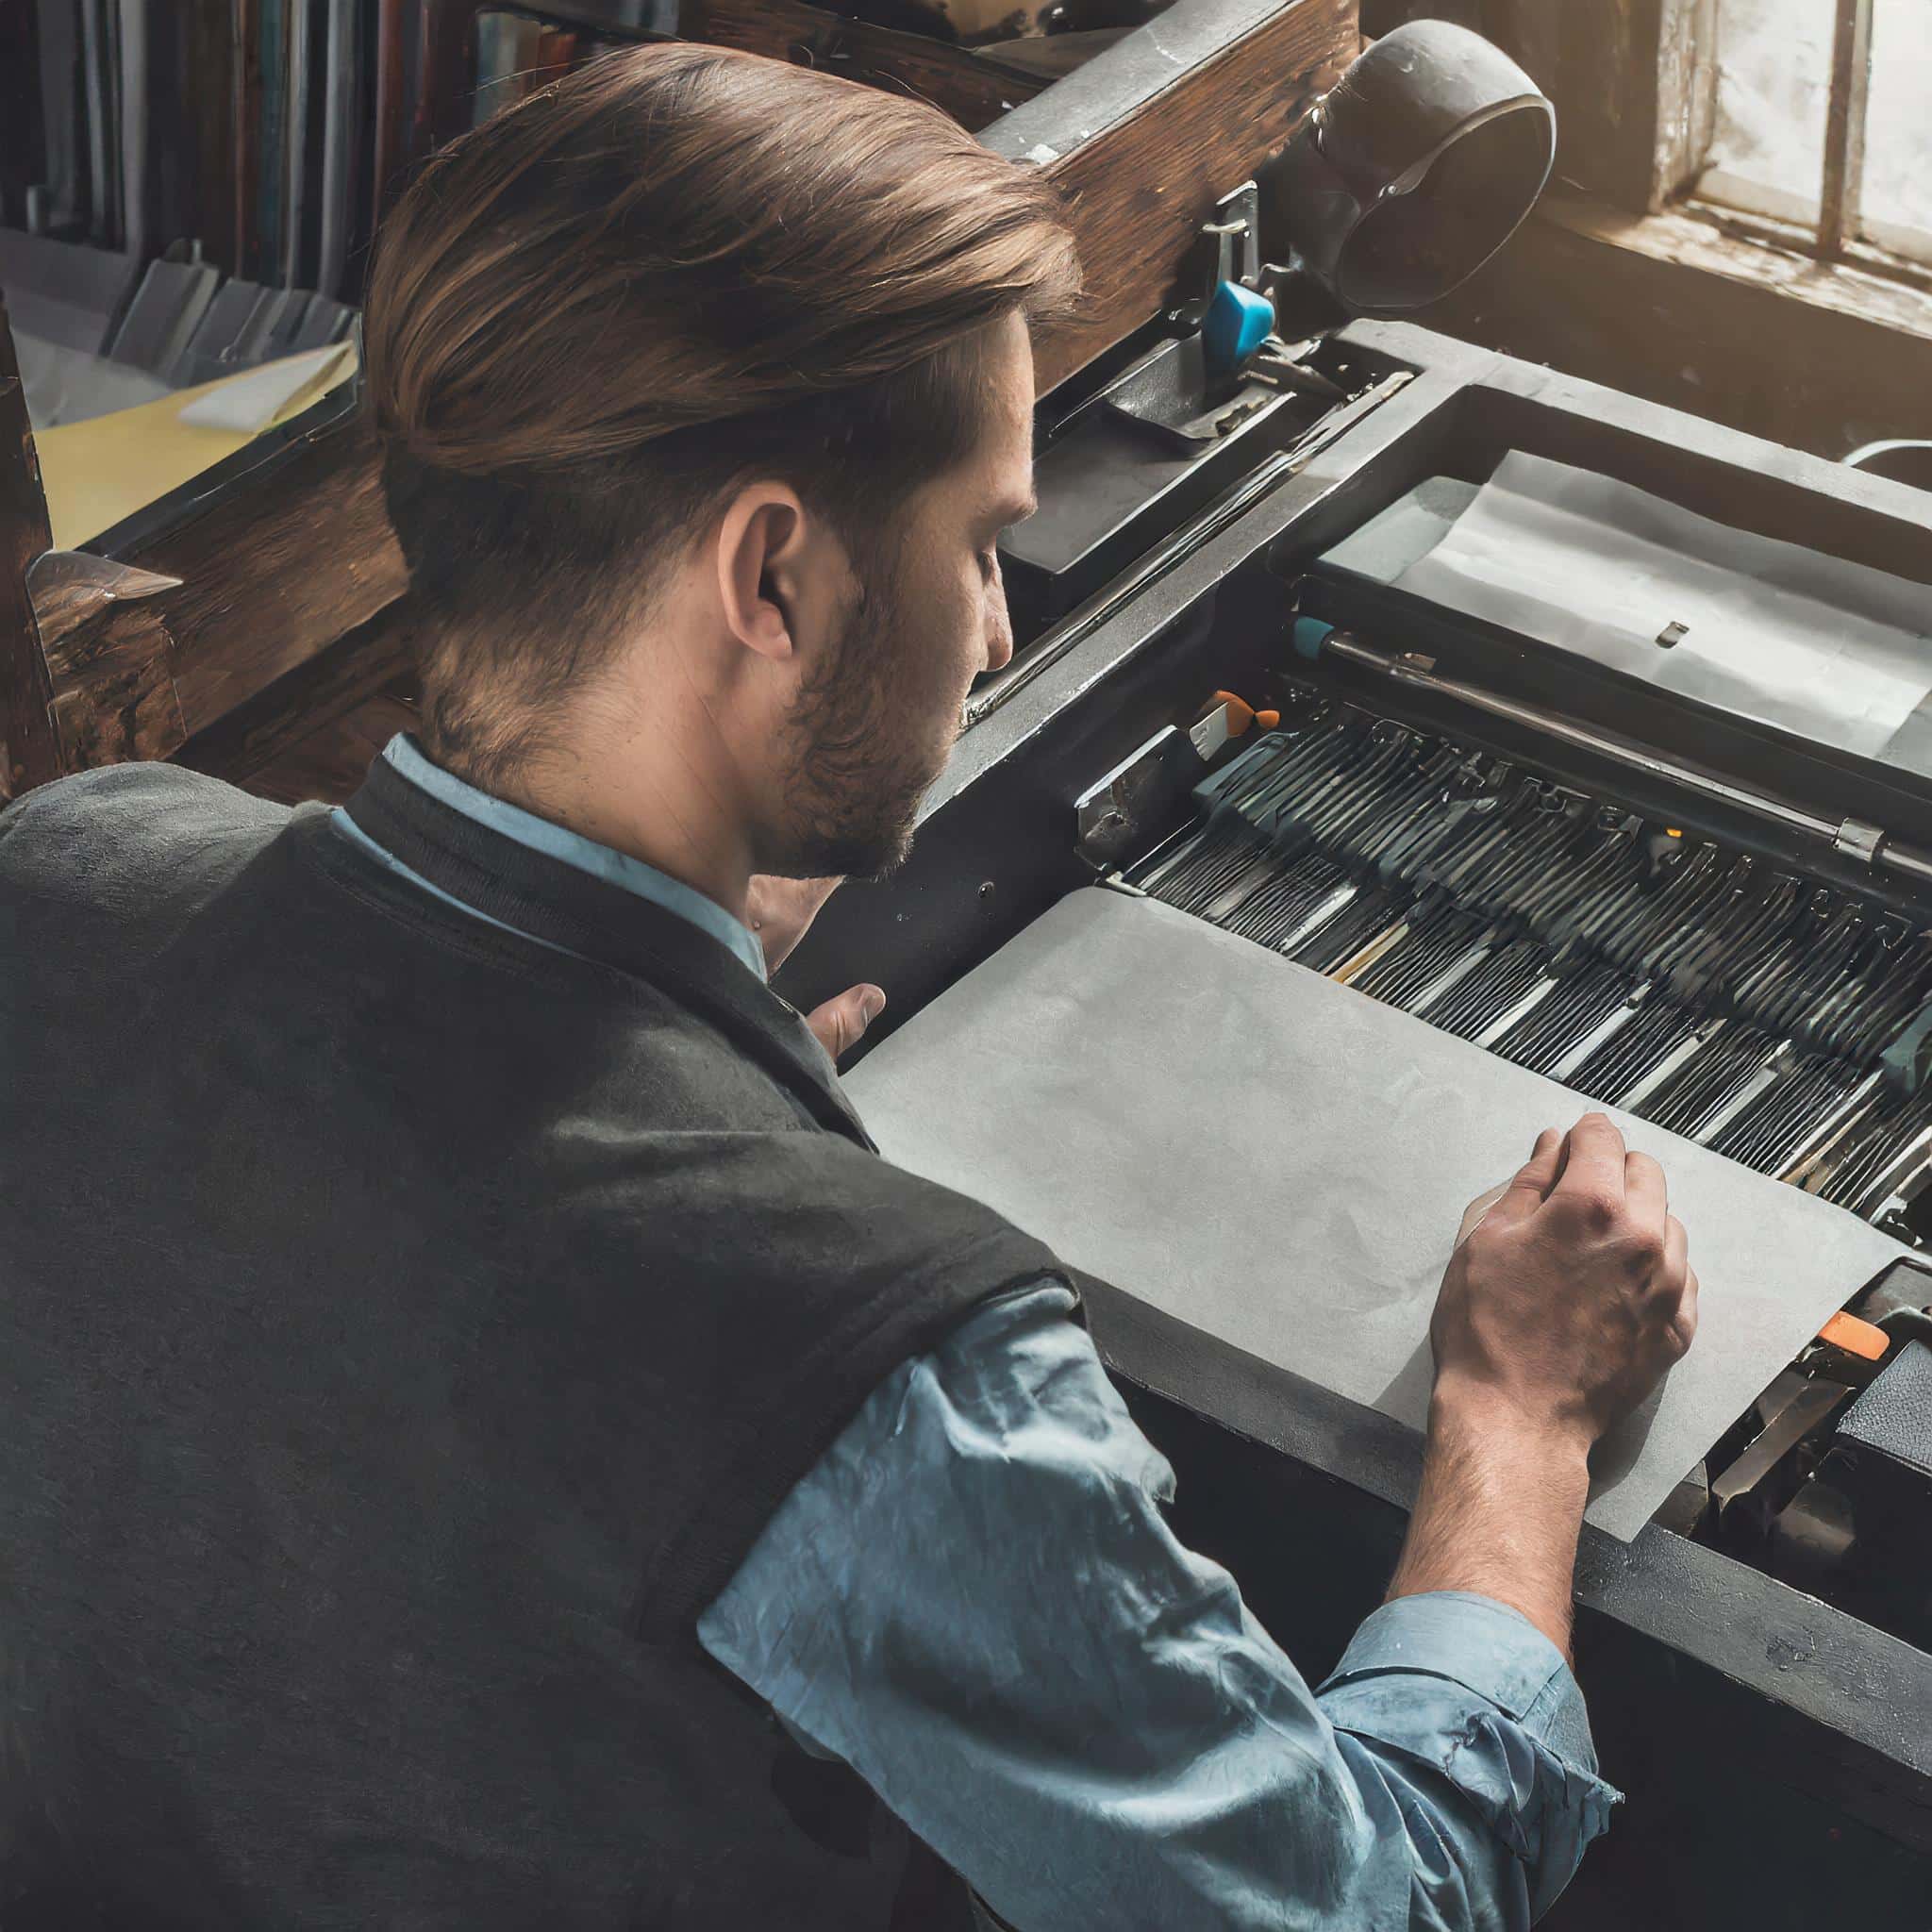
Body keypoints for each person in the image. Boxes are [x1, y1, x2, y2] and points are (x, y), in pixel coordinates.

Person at [0, 42, 1697, 1932]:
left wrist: (669, 1067)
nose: (995, 621)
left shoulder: (65, 872)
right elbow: (1364, 1912)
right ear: (772, 577)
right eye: (979, 537)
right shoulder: (887, 1391)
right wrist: (1521, 1420)